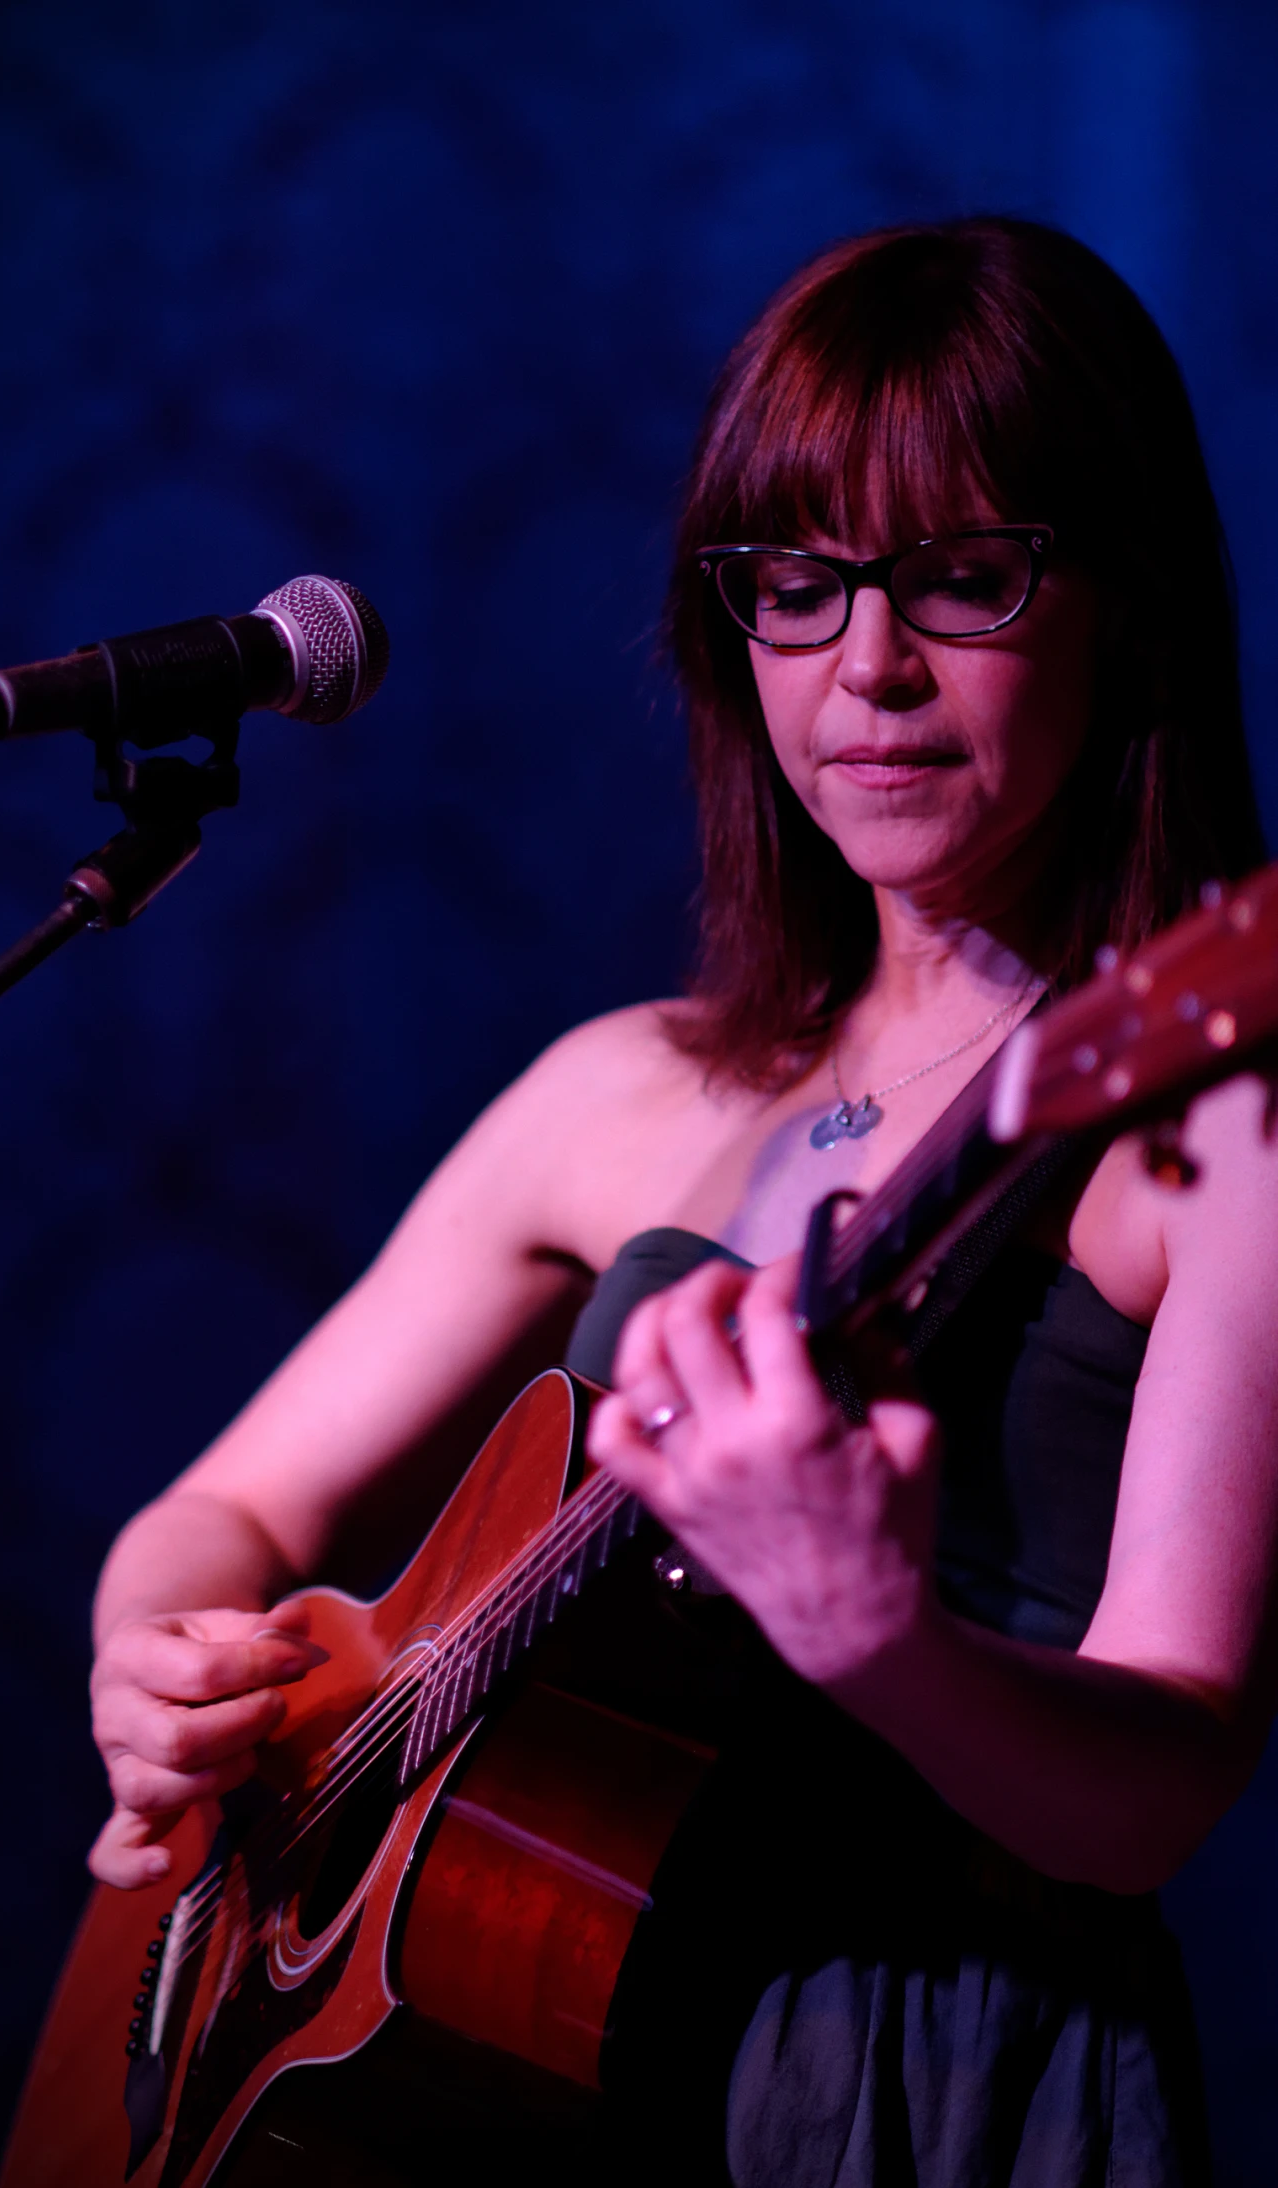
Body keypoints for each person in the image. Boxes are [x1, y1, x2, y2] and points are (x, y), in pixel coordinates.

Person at [86, 218, 1278, 2184]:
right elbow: (214, 1514)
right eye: (795, 589)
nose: (866, 667)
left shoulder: (1203, 1120)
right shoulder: (620, 1082)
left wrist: (869, 1629)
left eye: (964, 580)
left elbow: (1154, 1794)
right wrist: (168, 1666)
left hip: (918, 2083)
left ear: (1126, 606)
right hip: (530, 2058)